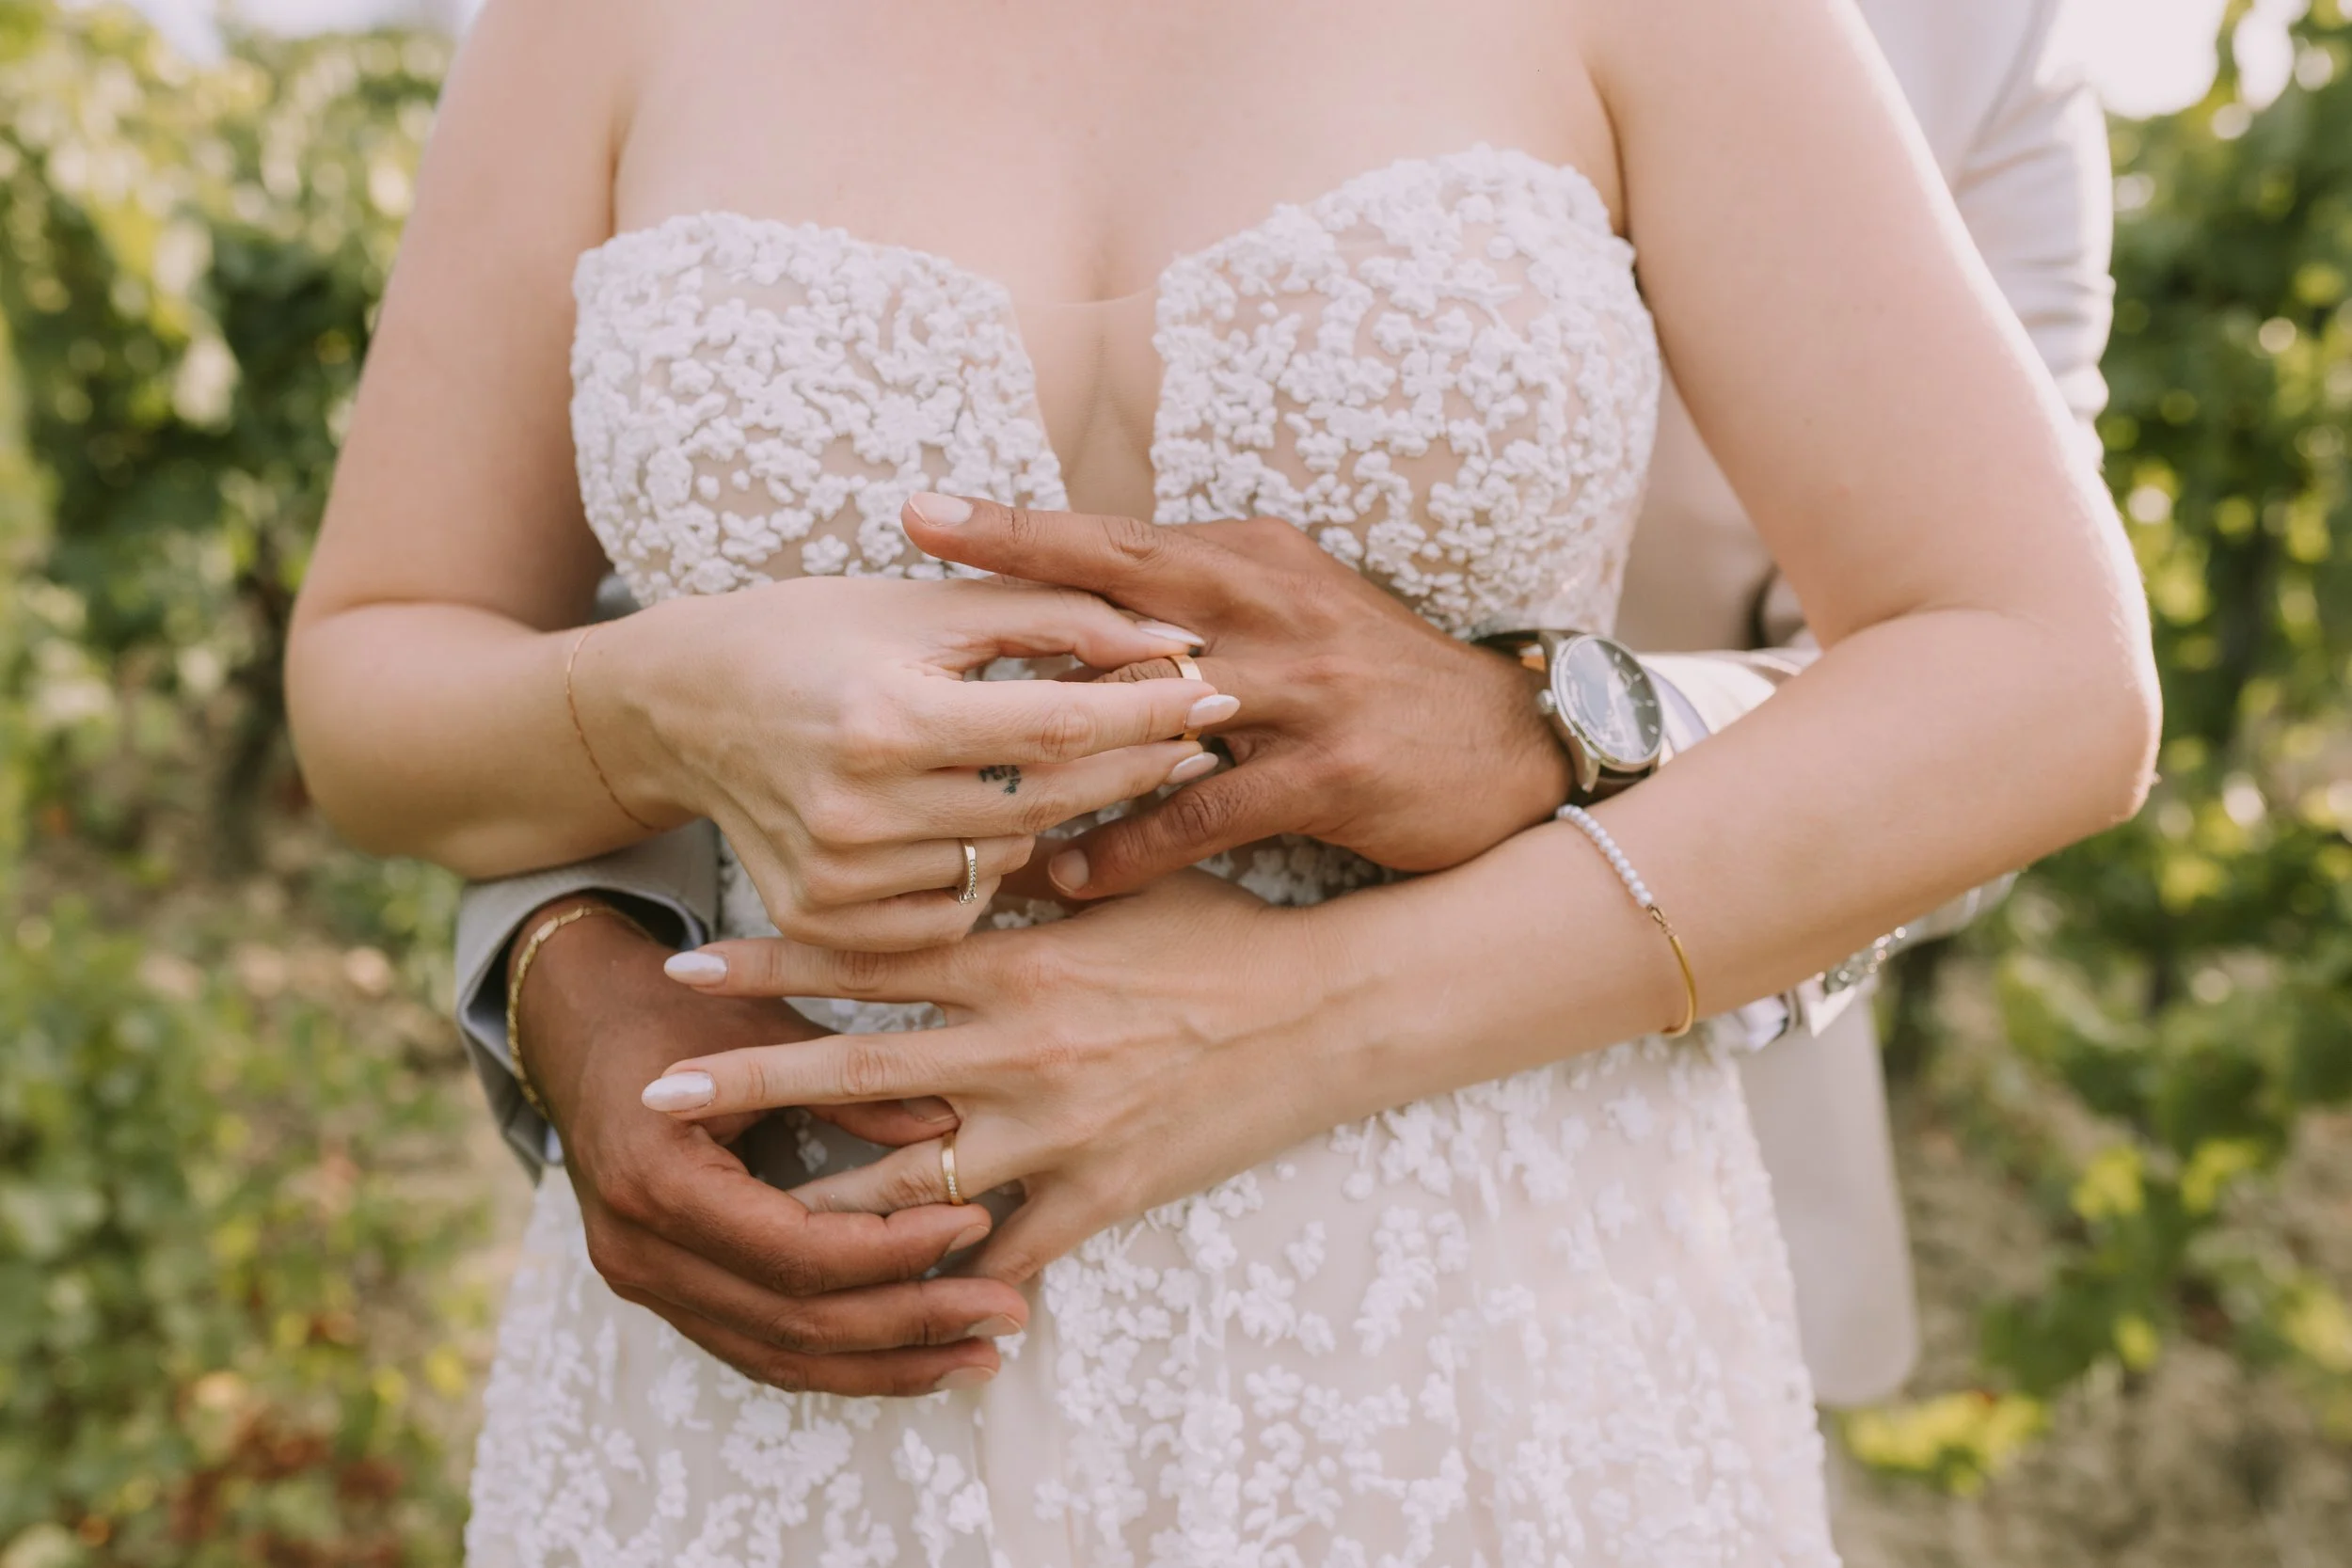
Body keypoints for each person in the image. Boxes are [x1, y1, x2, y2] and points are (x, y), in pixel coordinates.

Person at [283, 0, 2157, 1560]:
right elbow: (374, 666)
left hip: (1480, 1360)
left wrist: (1296, 1013)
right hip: (789, 1381)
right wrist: (665, 700)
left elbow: (2033, 674)